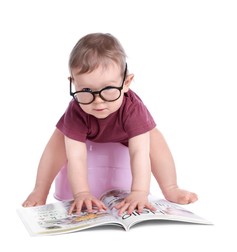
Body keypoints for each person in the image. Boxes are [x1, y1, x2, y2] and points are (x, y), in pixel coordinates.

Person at [22, 33, 198, 216]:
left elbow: (139, 151)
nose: (98, 101)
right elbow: (76, 157)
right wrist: (82, 193)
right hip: (86, 136)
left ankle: (171, 188)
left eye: (108, 90)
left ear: (126, 83)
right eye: (86, 91)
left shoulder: (132, 109)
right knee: (59, 138)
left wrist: (139, 192)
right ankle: (39, 190)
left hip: (126, 137)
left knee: (153, 137)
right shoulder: (76, 110)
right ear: (73, 84)